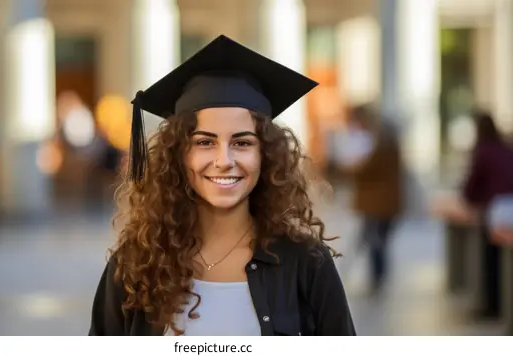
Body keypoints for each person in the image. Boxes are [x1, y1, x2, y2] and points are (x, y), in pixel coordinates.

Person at [88, 35, 355, 336]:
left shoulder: (307, 264)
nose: (224, 160)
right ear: (178, 154)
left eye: (242, 142)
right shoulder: (136, 265)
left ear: (265, 155)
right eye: (204, 142)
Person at [340, 105, 402, 294]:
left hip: (377, 201)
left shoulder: (381, 146)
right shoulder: (386, 145)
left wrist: (349, 168)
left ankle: (376, 278)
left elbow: (367, 169)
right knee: (377, 239)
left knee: (374, 240)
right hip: (383, 201)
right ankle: (377, 278)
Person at [461, 109, 513, 318]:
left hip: (498, 208)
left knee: (492, 257)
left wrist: (469, 199)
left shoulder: (483, 150)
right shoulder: (505, 148)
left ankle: (493, 304)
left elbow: (473, 182)